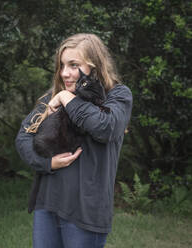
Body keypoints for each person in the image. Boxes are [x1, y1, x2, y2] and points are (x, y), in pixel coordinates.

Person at [15, 33, 133, 248]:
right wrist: (46, 163)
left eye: (73, 65)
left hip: (86, 210)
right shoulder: (53, 95)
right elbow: (23, 137)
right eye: (62, 65)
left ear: (94, 66)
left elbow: (103, 128)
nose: (64, 73)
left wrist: (66, 99)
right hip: (48, 203)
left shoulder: (118, 96)